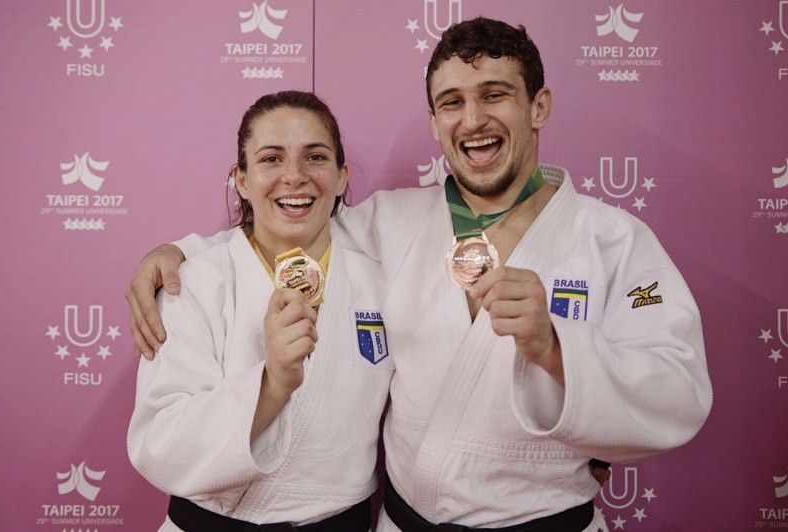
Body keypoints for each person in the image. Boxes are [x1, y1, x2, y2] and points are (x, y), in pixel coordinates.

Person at [126, 18, 712, 531]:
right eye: (452, 102)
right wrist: (180, 252)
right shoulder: (392, 221)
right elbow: (289, 222)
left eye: (495, 95)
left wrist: (557, 348)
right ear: (434, 123)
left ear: (538, 106)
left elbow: (679, 393)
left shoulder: (615, 242)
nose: (473, 118)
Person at [126, 91, 393, 531]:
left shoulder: (380, 284)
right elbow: (160, 444)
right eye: (271, 159)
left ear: (342, 176)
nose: (294, 176)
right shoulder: (192, 284)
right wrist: (271, 384)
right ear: (242, 180)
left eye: (315, 157)